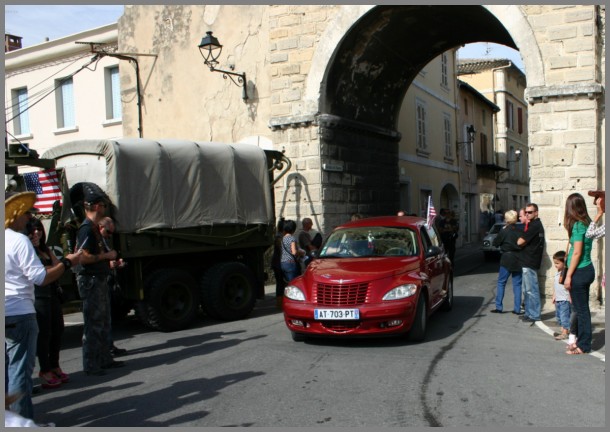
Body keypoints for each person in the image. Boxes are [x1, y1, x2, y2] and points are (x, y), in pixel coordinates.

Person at [5, 191, 80, 420]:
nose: (30, 218)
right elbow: (40, 277)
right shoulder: (19, 240)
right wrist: (68, 262)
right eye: (27, 213)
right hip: (20, 312)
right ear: (16, 214)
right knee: (19, 374)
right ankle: (21, 423)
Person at [75, 186, 125, 375]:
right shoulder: (86, 229)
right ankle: (91, 364)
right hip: (91, 280)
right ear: (96, 206)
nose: (105, 208)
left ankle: (104, 359)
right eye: (103, 205)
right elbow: (82, 258)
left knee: (103, 321)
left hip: (99, 278)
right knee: (94, 323)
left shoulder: (94, 229)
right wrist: (105, 257)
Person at [26, 219, 69, 389]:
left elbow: (59, 267)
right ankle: (44, 370)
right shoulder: (27, 250)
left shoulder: (45, 250)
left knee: (58, 329)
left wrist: (52, 270)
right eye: (33, 231)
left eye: (39, 230)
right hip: (38, 297)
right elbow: (41, 274)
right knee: (44, 335)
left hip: (52, 294)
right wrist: (53, 270)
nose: (36, 233)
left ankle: (54, 365)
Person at [562, 193, 595, 355]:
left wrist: (568, 276)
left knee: (581, 310)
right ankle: (581, 341)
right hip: (587, 268)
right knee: (582, 309)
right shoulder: (586, 222)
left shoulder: (577, 226)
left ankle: (583, 345)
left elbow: (577, 252)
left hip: (580, 271)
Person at [98, 217, 127, 356]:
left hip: (106, 279)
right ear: (101, 227)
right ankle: (105, 350)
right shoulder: (96, 240)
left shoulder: (104, 240)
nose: (109, 235)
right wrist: (108, 263)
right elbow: (89, 260)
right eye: (108, 232)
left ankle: (108, 346)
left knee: (107, 317)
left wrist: (115, 263)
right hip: (98, 282)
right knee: (102, 318)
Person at [516, 203, 545, 324]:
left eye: (530, 212)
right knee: (527, 290)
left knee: (531, 290)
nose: (527, 214)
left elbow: (520, 242)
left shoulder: (534, 226)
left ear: (536, 213)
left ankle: (534, 314)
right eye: (526, 212)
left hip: (530, 261)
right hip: (528, 261)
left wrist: (519, 239)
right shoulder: (534, 225)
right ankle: (529, 313)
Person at [491, 210, 523, 314]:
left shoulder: (504, 231)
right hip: (518, 258)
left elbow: (496, 243)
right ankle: (517, 308)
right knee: (517, 284)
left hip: (507, 257)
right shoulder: (520, 231)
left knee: (501, 282)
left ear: (506, 219)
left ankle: (499, 307)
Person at [551, 250, 571, 340]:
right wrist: (554, 295)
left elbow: (569, 287)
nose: (555, 265)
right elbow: (555, 286)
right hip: (558, 299)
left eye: (557, 263)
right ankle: (563, 330)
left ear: (564, 263)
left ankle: (565, 332)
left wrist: (570, 296)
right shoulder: (557, 273)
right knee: (559, 316)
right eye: (555, 263)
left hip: (565, 299)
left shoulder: (566, 273)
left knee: (564, 316)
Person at [271, 218, 286, 309]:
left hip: (278, 262)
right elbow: (282, 251)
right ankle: (279, 303)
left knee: (280, 282)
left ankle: (280, 302)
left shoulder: (279, 236)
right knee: (280, 283)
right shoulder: (279, 237)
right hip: (278, 263)